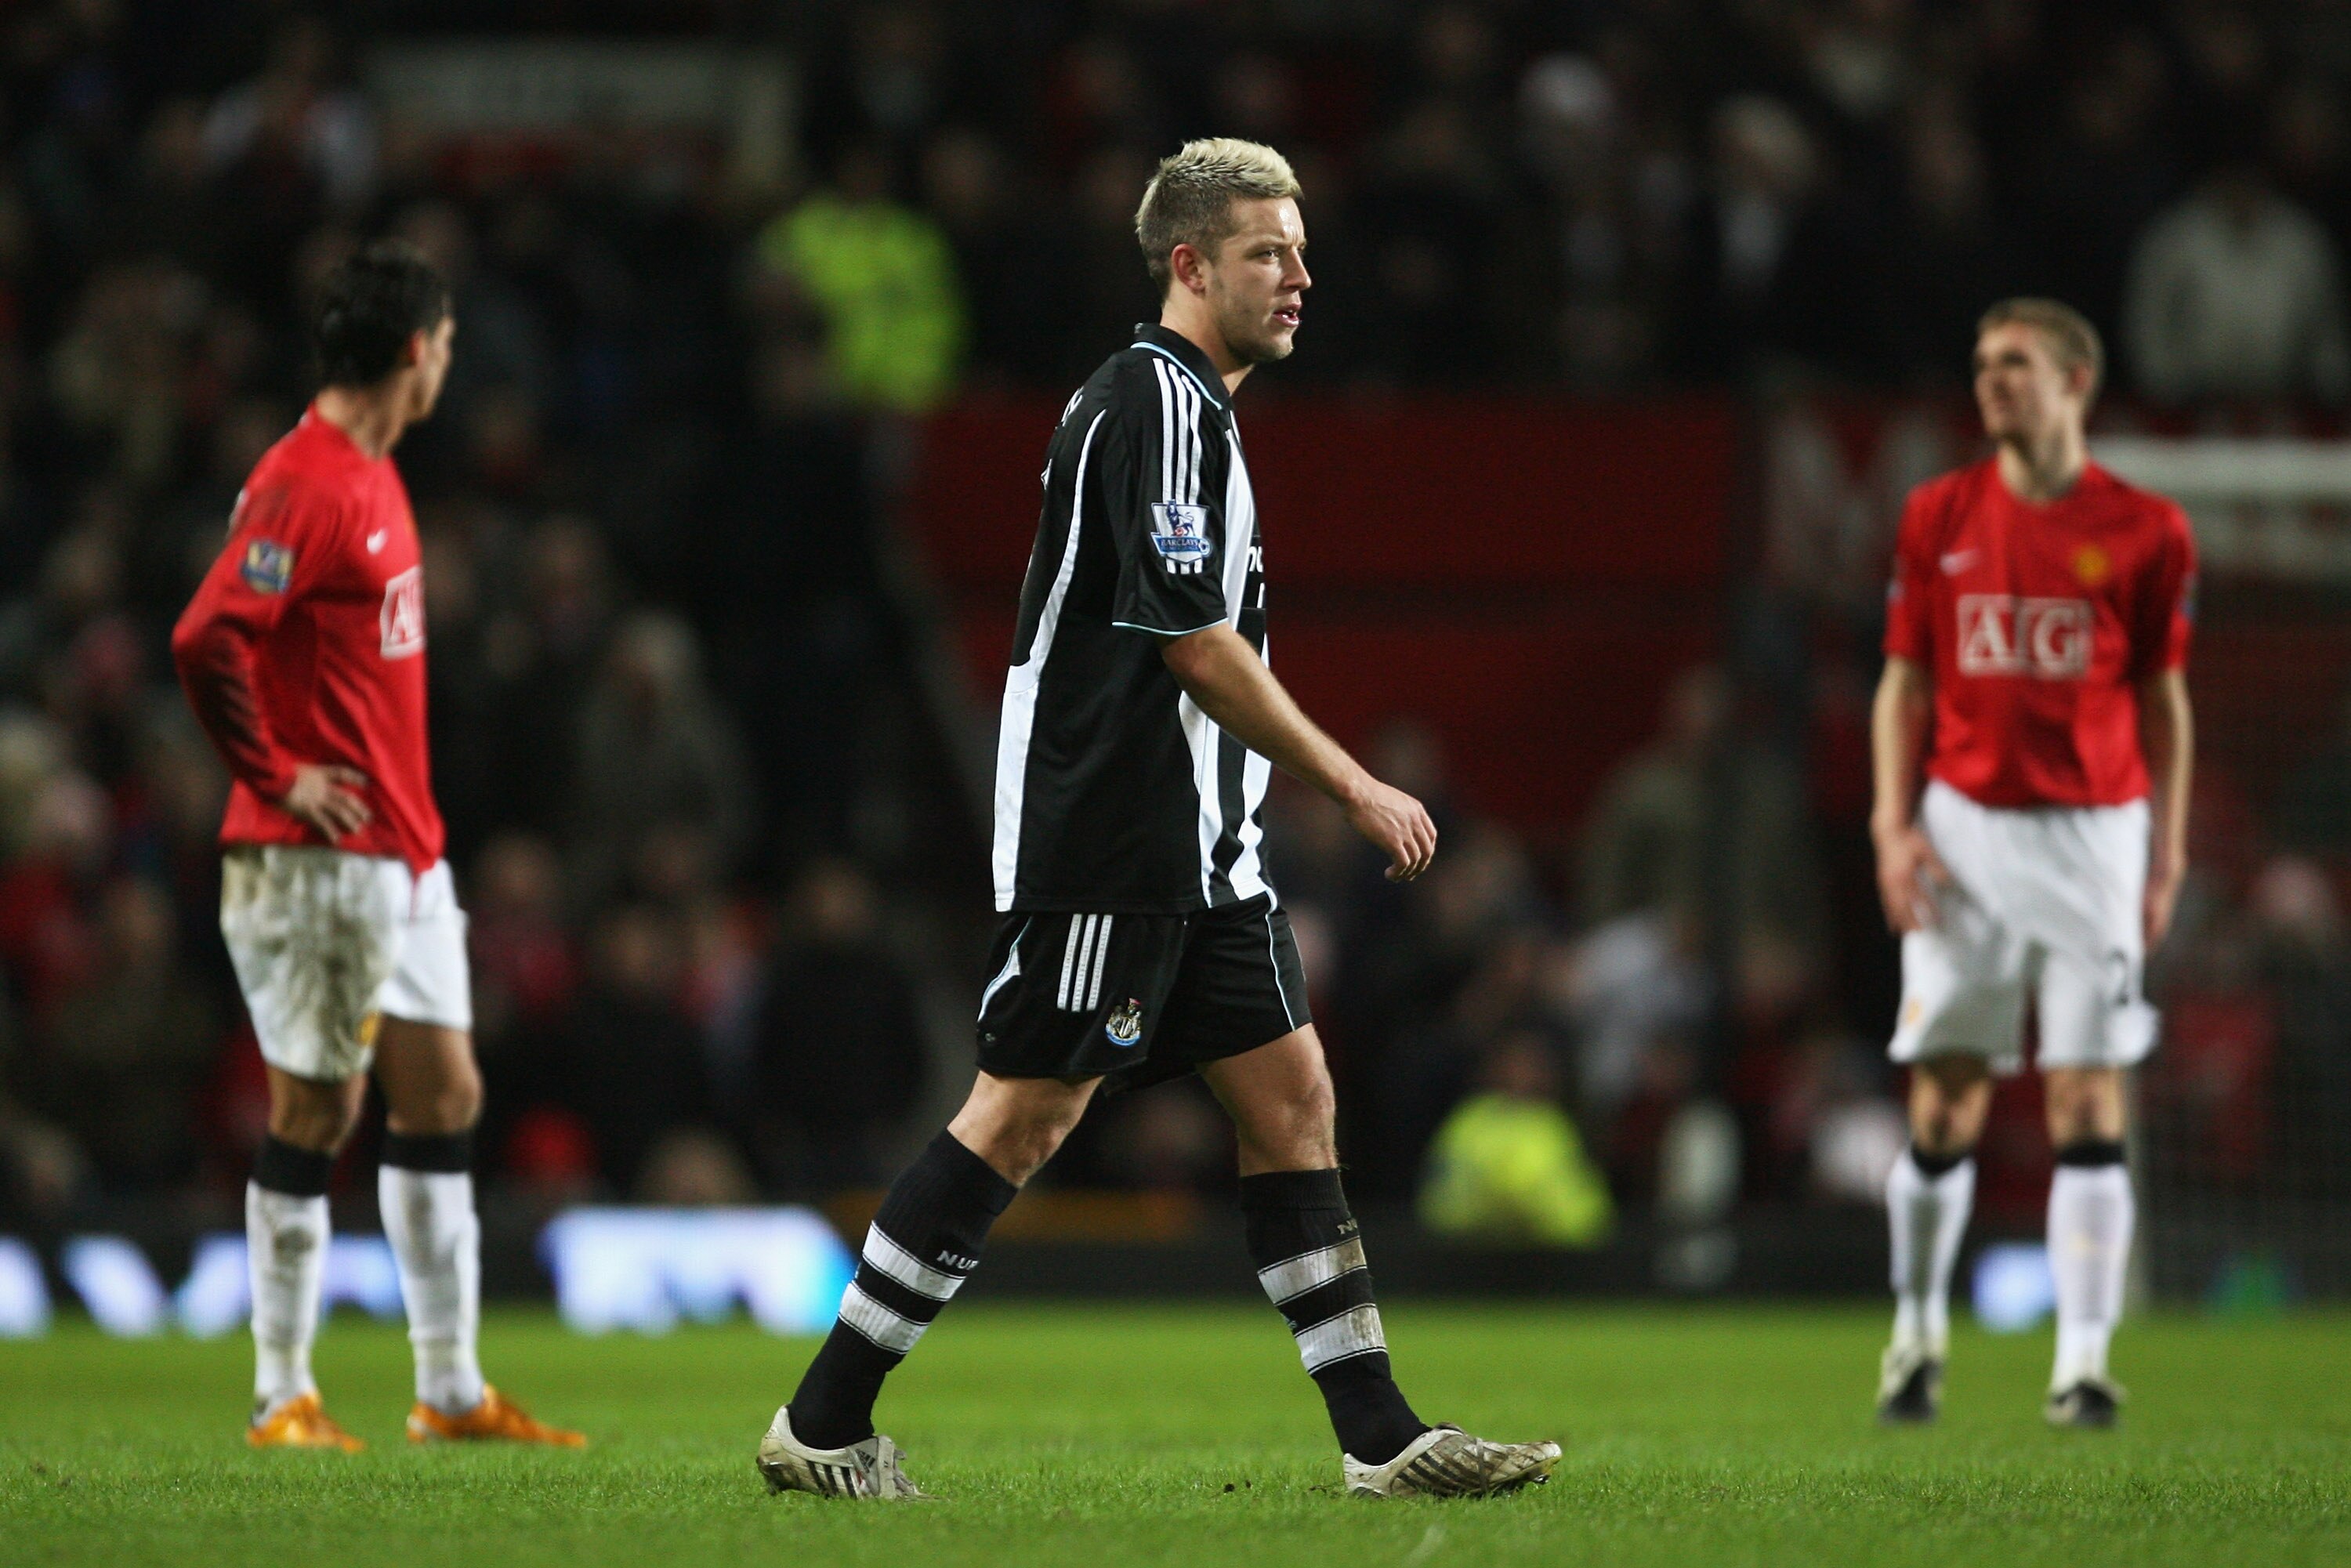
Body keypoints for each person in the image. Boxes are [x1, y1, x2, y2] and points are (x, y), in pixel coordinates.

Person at [754, 139, 1559, 1501]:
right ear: (1189, 265)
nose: (1300, 275)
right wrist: (1353, 781)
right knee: (1023, 1114)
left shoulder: (1195, 411)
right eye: (1266, 253)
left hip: (1202, 854)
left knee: (1294, 1096)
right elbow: (1192, 641)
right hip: (1115, 839)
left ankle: (1380, 1440)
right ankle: (822, 1424)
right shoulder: (1157, 404)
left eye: (1301, 250)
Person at [171, 241, 581, 1453]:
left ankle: (448, 1389)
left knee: (445, 1091)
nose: (450, 364)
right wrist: (276, 772)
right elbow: (207, 635)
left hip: (403, 855)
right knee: (317, 1106)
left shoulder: (372, 470)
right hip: (315, 860)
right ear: (416, 351)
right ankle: (279, 1392)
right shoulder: (310, 479)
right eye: (448, 344)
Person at [1870, 298, 2195, 1429]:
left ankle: (2086, 1363)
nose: (1991, 381)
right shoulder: (1939, 514)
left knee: (2085, 1090)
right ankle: (1915, 1337)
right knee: (1949, 1095)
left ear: (2076, 382)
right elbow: (1904, 681)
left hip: (2097, 835)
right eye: (1981, 364)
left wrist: (2166, 854)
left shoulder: (2148, 530)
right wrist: (1889, 821)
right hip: (1962, 829)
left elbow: (2163, 697)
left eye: (2014, 364)